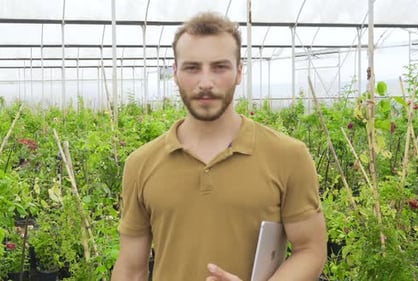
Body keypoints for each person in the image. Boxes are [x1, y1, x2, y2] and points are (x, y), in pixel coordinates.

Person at [111, 12, 327, 281]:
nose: (205, 82)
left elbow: (310, 249)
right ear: (175, 72)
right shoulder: (141, 164)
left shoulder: (288, 156)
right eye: (192, 68)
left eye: (219, 67)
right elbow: (131, 268)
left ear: (239, 72)